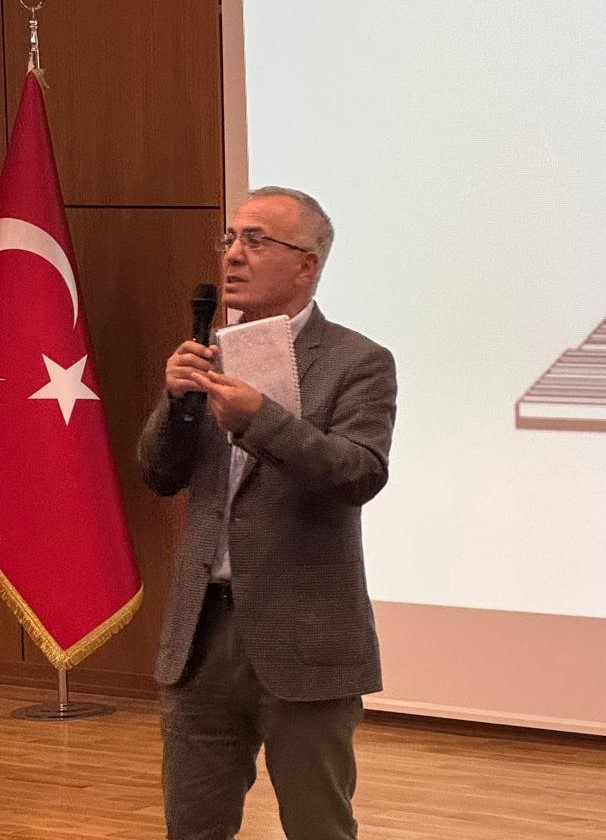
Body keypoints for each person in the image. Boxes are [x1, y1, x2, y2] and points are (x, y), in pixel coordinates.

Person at [138, 186, 397, 840]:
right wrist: (175, 401)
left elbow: (358, 473)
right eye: (230, 238)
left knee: (318, 826)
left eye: (256, 240)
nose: (233, 254)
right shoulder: (207, 354)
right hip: (203, 636)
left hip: (305, 638)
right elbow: (158, 474)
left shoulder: (358, 361)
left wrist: (263, 421)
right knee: (192, 828)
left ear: (307, 264)